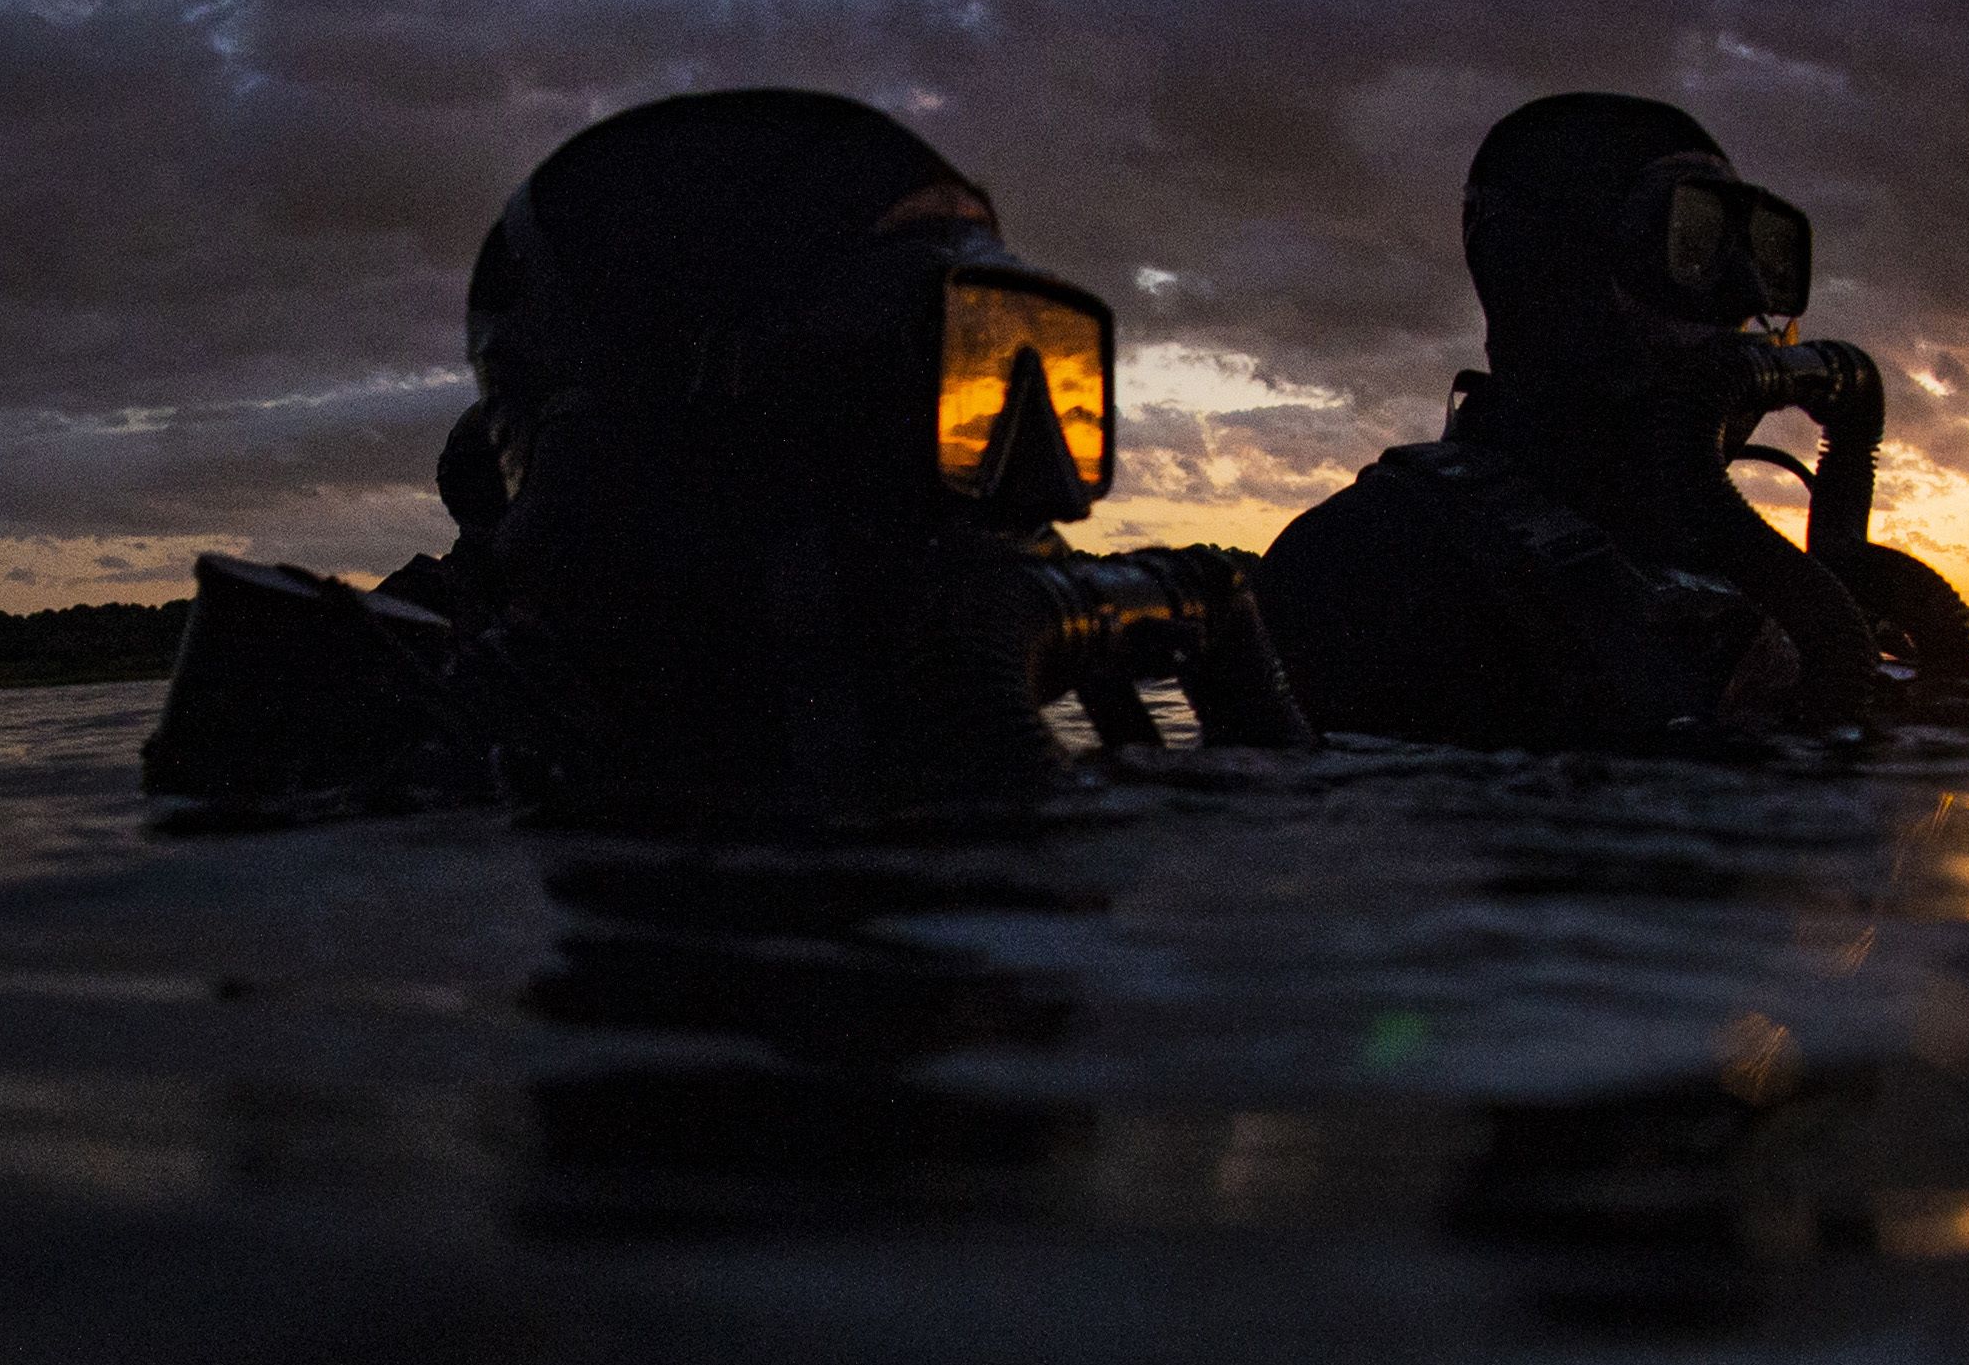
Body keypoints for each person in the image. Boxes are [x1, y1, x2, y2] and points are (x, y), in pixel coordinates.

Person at [146, 89, 1308, 821]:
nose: (1038, 483)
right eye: (958, 378)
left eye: (1045, 377)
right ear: (706, 422)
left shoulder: (891, 695)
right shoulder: (382, 791)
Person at [1257, 92, 1969, 751]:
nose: (1741, 302)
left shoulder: (1761, 577)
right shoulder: (1372, 565)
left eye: (1760, 254)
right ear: (1546, 271)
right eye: (1691, 245)